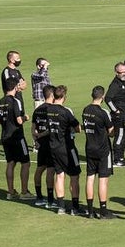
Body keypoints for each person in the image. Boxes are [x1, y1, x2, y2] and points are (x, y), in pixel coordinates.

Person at [46, 85, 83, 216]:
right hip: (67, 148)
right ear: (64, 97)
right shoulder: (65, 112)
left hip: (53, 146)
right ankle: (75, 207)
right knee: (74, 176)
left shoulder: (48, 109)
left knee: (59, 175)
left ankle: (61, 207)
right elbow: (77, 127)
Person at [81, 85, 116, 219]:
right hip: (103, 150)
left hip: (89, 148)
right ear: (103, 96)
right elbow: (111, 133)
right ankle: (103, 210)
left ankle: (90, 210)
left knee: (90, 178)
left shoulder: (85, 110)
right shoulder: (103, 112)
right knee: (103, 180)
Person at [0, 78, 32, 200]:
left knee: (10, 162)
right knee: (25, 163)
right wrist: (26, 117)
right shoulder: (15, 101)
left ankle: (10, 192)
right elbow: (19, 120)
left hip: (5, 136)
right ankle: (24, 191)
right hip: (17, 136)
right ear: (15, 87)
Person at [30, 85, 56, 209]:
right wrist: (41, 135)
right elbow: (51, 128)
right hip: (50, 143)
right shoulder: (51, 109)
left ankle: (39, 197)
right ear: (51, 95)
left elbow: (32, 128)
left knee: (40, 168)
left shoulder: (38, 109)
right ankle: (50, 199)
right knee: (50, 170)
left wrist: (36, 138)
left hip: (41, 144)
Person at [105, 62, 125, 166]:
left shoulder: (123, 82)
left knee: (124, 136)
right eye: (122, 72)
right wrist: (116, 110)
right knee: (120, 136)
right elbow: (108, 98)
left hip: (124, 113)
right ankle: (117, 158)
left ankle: (120, 157)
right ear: (116, 73)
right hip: (119, 116)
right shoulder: (115, 84)